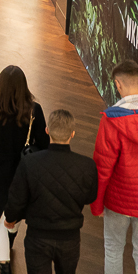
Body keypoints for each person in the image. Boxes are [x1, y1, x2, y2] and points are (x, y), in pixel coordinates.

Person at [0, 66, 50, 272]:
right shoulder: (33, 110)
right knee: (18, 211)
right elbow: (45, 144)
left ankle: (4, 265)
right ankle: (10, 238)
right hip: (24, 169)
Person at [7, 110, 99, 274]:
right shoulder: (87, 166)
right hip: (70, 238)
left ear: (47, 130)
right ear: (72, 134)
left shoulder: (29, 163)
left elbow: (17, 197)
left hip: (37, 236)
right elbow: (90, 197)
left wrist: (10, 218)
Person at [92, 59, 138, 274]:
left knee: (113, 249)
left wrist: (97, 203)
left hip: (118, 201)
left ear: (118, 85)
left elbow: (103, 167)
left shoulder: (111, 119)